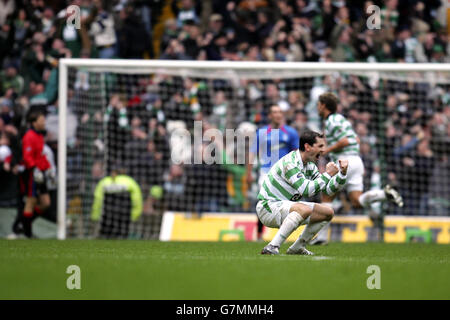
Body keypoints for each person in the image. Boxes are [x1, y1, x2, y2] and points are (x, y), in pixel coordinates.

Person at [312, 92, 404, 245]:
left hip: (345, 162)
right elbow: (356, 139)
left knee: (326, 197)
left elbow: (346, 140)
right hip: (356, 160)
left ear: (323, 105)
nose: (317, 108)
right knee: (356, 200)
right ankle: (383, 194)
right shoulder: (341, 119)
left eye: (318, 105)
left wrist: (327, 150)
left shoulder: (332, 120)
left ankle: (321, 238)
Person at [258, 130, 348, 255]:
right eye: (320, 146)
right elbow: (306, 190)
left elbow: (328, 190)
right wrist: (327, 174)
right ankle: (272, 246)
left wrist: (342, 174)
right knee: (304, 209)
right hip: (268, 207)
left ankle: (297, 247)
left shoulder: (310, 166)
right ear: (307, 147)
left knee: (327, 213)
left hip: (285, 206)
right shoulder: (290, 163)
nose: (324, 150)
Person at [247, 105, 299, 240]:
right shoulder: (262, 132)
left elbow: (297, 154)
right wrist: (248, 173)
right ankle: (259, 235)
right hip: (265, 173)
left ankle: (281, 237)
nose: (278, 114)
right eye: (275, 112)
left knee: (285, 205)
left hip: (284, 175)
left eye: (280, 112)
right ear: (270, 115)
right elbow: (252, 153)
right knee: (263, 203)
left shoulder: (291, 133)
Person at [14, 111, 52, 238]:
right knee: (31, 200)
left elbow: (41, 155)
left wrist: (48, 168)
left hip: (40, 171)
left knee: (46, 202)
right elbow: (27, 157)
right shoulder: (29, 136)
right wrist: (35, 169)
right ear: (34, 122)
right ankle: (27, 233)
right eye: (41, 120)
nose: (44, 122)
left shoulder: (40, 136)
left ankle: (24, 222)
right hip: (31, 172)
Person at [91, 163, 143, 239]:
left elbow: (98, 199)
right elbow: (137, 199)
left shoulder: (104, 182)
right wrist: (135, 215)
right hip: (124, 215)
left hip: (108, 216)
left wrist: (95, 215)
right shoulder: (129, 181)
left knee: (106, 237)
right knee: (122, 237)